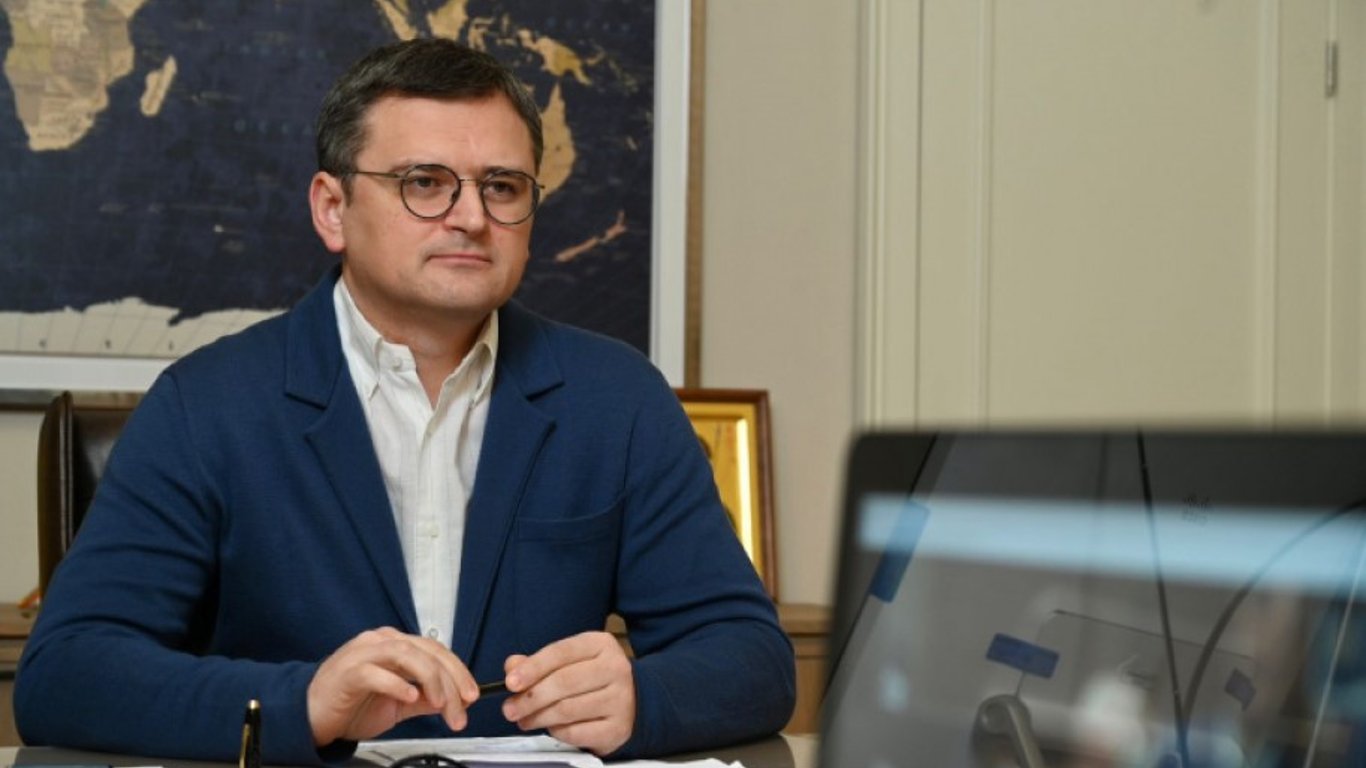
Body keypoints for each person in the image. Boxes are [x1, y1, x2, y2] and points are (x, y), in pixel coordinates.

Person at [14, 38, 795, 764]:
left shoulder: (617, 399)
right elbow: (65, 674)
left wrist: (641, 698)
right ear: (332, 208)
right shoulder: (205, 406)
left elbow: (753, 658)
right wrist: (305, 704)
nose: (472, 217)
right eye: (424, 183)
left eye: (502, 187)